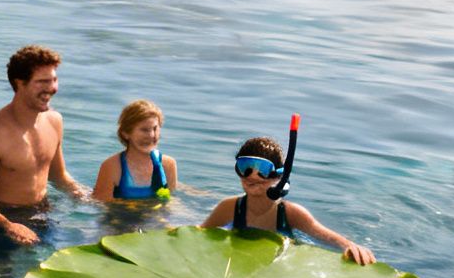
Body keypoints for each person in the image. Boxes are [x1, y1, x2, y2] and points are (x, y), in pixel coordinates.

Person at [0, 45, 88, 249]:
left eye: (54, 80)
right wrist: (8, 225)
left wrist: (86, 196)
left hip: (43, 212)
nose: (52, 88)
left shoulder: (55, 121)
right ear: (19, 83)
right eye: (42, 82)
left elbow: (58, 176)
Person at [199, 136, 374, 264]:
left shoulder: (291, 213)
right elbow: (198, 234)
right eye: (245, 167)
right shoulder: (229, 207)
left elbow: (325, 236)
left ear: (278, 176)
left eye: (262, 169)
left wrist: (351, 246)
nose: (252, 175)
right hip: (236, 264)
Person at [93, 98, 178, 202]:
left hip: (155, 217)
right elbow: (100, 205)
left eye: (155, 128)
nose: (152, 135)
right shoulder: (112, 166)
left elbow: (169, 201)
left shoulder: (168, 164)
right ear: (126, 133)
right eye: (144, 130)